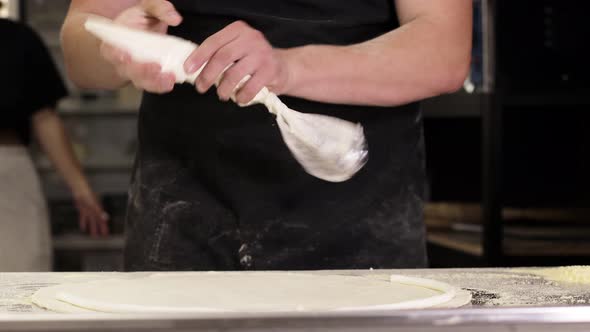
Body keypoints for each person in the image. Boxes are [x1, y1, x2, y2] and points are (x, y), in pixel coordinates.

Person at [62, 0, 472, 271]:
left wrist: (286, 69)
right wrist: (117, 45)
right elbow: (81, 42)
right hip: (181, 217)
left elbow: (443, 51)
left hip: (358, 223)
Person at [0, 18, 109, 272]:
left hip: (7, 173)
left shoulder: (17, 39)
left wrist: (80, 188)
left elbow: (44, 118)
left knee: (21, 283)